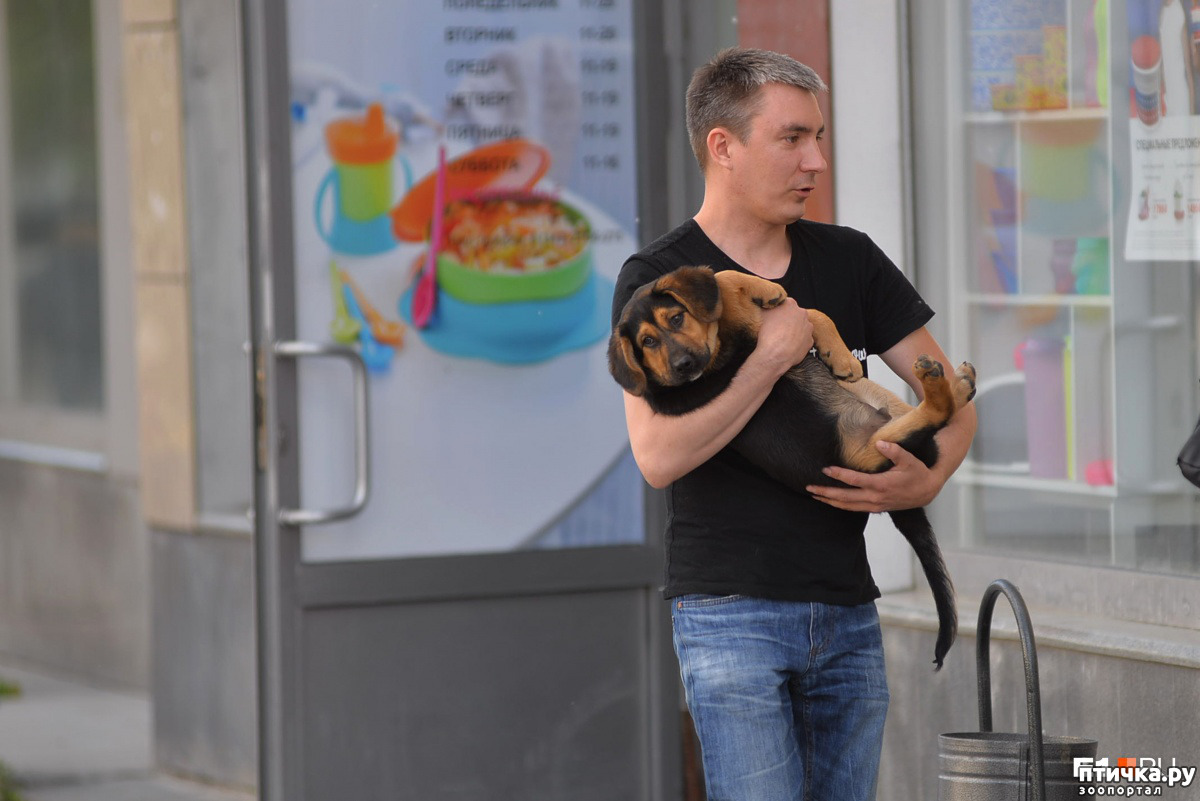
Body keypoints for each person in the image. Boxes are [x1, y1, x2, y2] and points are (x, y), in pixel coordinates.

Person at [609, 47, 977, 801]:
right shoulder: (658, 279)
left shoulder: (850, 259)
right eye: (792, 138)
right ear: (724, 146)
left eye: (819, 138)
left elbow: (952, 397)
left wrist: (929, 478)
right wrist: (772, 357)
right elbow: (657, 456)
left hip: (847, 608)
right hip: (730, 613)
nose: (816, 161)